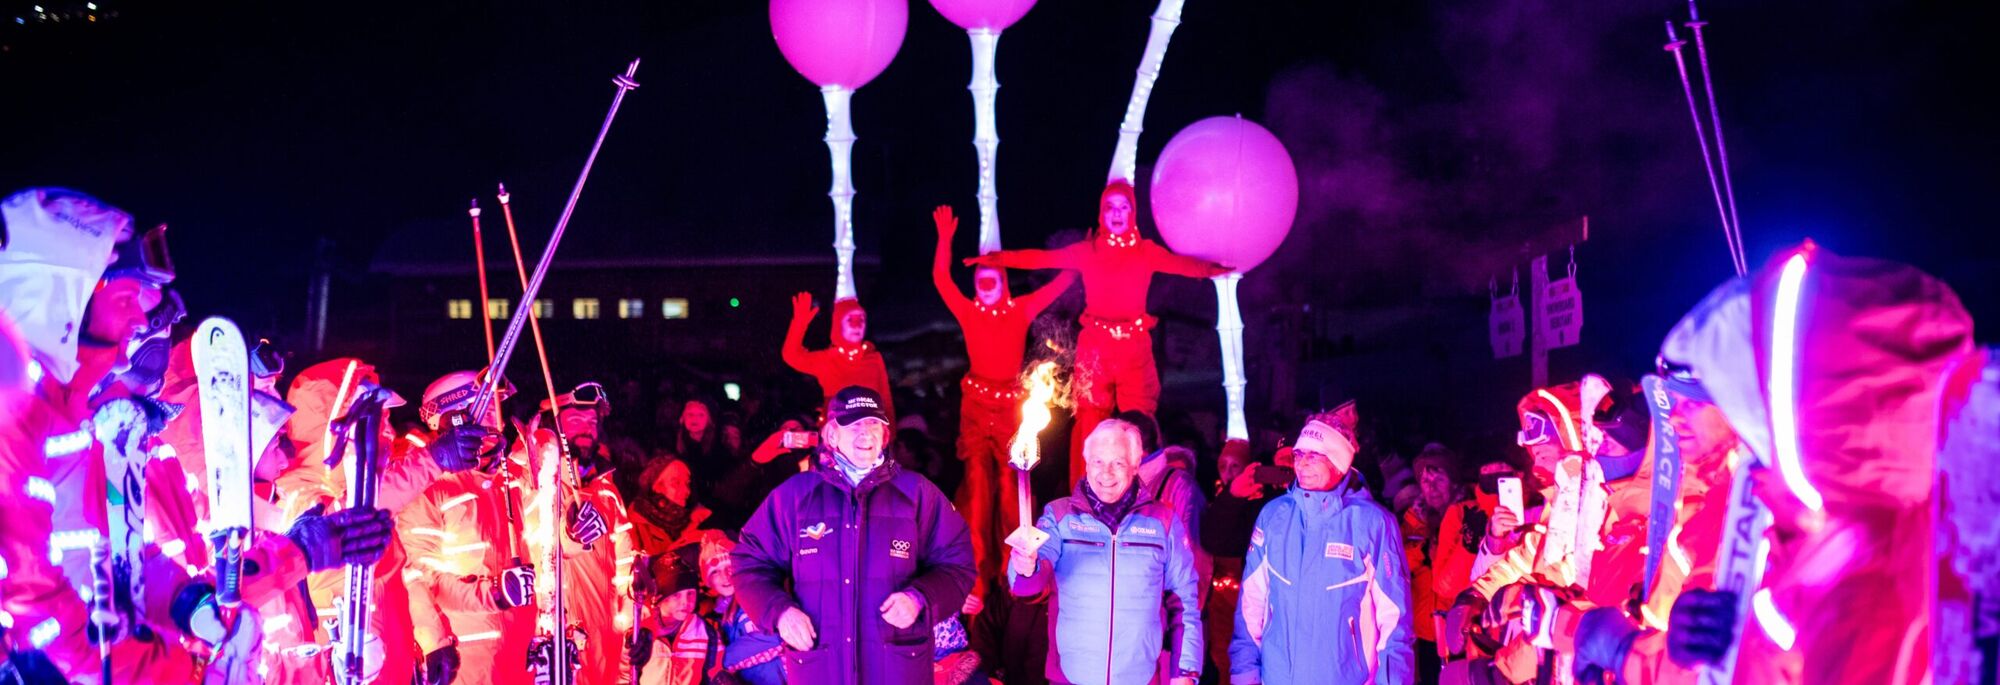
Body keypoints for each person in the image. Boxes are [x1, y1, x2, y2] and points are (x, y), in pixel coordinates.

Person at [966, 180, 1230, 483]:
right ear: (1101, 214)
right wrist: (1000, 259)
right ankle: (1085, 496)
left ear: (1133, 213)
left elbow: (1182, 265)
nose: (1117, 213)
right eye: (1110, 207)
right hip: (1096, 348)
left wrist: (1214, 269)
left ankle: (1142, 491)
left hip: (1134, 347)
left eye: (1124, 207)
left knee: (1140, 424)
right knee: (1089, 422)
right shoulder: (1088, 251)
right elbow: (1042, 258)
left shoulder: (1146, 252)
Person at [731, 386, 977, 685]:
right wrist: (780, 612)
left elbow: (957, 564)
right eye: (854, 424)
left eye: (874, 424)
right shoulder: (795, 496)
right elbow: (748, 562)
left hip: (896, 670)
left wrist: (920, 597)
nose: (866, 433)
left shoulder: (917, 493)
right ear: (831, 436)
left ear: (886, 436)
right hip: (820, 668)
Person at [930, 204, 1077, 593]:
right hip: (977, 409)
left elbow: (1060, 282)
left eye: (992, 277)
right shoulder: (968, 311)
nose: (985, 284)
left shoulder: (1021, 308)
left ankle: (1018, 577)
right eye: (980, 278)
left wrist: (1078, 258)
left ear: (1004, 281)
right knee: (978, 492)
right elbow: (942, 279)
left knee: (1014, 493)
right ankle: (976, 581)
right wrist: (945, 240)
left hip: (1011, 410)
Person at [1007, 419, 1202, 685]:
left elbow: (1184, 603)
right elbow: (1025, 586)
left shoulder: (1163, 522)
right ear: (1086, 463)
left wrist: (1184, 672)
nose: (1106, 473)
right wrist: (1025, 567)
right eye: (1098, 462)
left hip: (1140, 678)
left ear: (1136, 466)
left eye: (1118, 463)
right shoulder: (1059, 516)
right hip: (1071, 677)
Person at [1231, 406, 1415, 685]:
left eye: (1313, 456)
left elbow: (1395, 622)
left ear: (1338, 462)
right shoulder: (1274, 516)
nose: (1301, 464)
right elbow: (1251, 605)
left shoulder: (1373, 523)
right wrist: (1245, 675)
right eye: (1298, 454)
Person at [396, 370, 540, 685]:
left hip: (519, 652)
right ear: (457, 418)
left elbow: (547, 550)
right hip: (465, 659)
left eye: (498, 411)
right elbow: (418, 574)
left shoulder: (511, 478)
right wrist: (435, 642)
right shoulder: (429, 486)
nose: (498, 423)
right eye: (488, 411)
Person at [535, 380, 641, 685]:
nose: (587, 428)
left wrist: (638, 622)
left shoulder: (606, 489)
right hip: (558, 640)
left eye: (592, 422)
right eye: (576, 420)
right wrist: (568, 537)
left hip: (604, 639)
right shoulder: (538, 481)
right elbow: (534, 545)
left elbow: (625, 566)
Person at [1401, 443, 1462, 683]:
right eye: (1426, 482)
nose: (1432, 488)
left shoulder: (1468, 516)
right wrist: (1422, 551)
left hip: (1460, 628)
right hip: (1426, 630)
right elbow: (1397, 564)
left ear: (1453, 481)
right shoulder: (1412, 521)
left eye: (1439, 480)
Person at [782, 292, 894, 419]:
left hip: (869, 432)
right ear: (838, 324)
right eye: (850, 319)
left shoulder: (873, 358)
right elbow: (792, 356)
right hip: (836, 432)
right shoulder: (827, 360)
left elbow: (886, 401)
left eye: (861, 319)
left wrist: (889, 435)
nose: (856, 325)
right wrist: (799, 323)